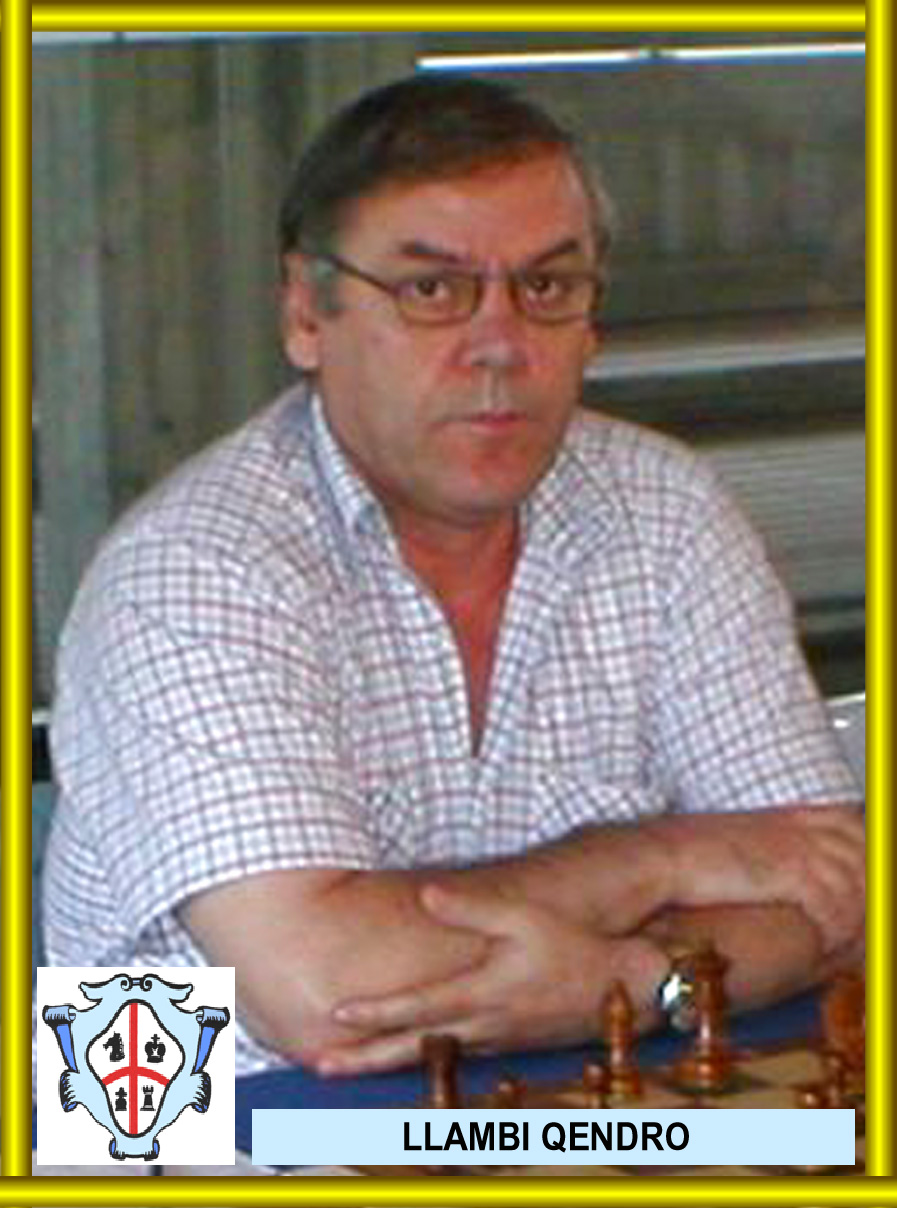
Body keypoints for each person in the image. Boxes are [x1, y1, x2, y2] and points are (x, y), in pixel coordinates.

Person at [46, 75, 864, 1080]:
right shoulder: (192, 567)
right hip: (221, 1124)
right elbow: (325, 992)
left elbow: (834, 895)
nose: (498, 347)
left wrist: (636, 980)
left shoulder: (663, 509)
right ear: (306, 314)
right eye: (432, 291)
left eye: (547, 287)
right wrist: (658, 860)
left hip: (590, 1111)